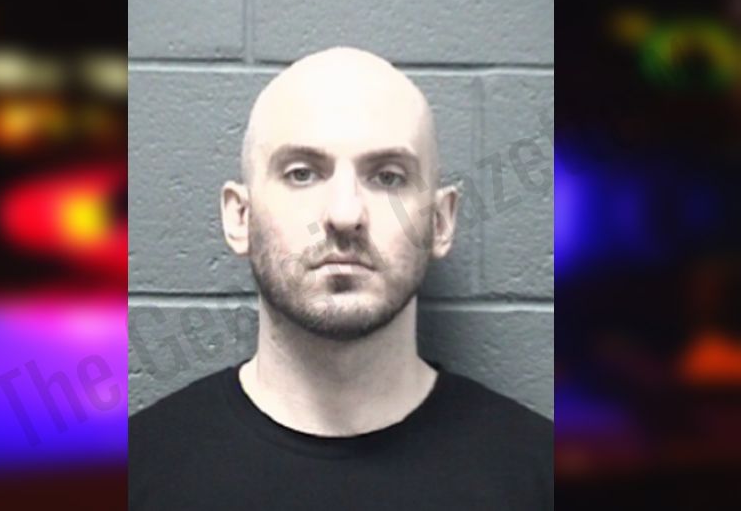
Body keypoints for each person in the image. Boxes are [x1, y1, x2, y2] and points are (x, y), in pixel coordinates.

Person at [129, 47, 552, 510]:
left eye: (388, 178)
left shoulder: (539, 476)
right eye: (302, 174)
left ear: (440, 222)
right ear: (240, 218)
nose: (345, 214)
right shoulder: (134, 473)